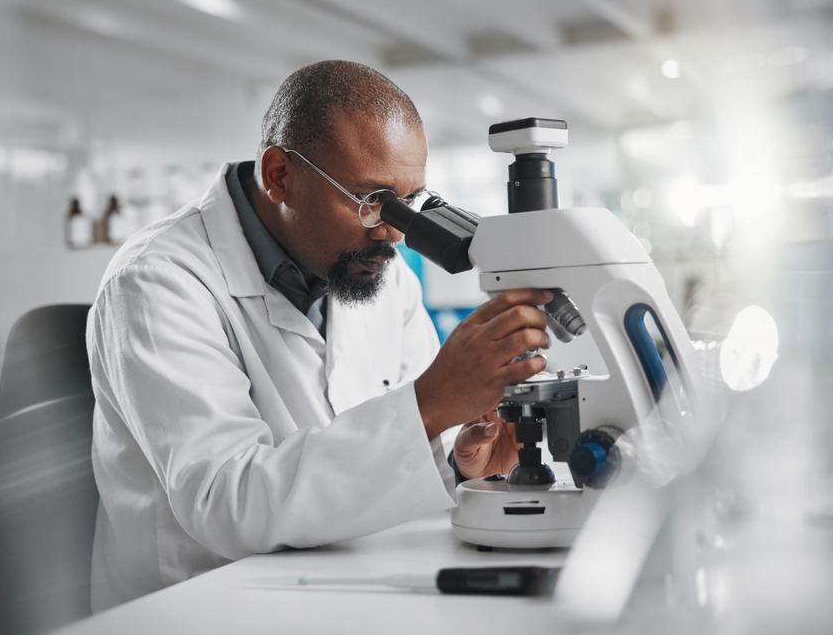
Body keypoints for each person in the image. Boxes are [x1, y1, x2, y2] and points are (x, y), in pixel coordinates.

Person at [86, 60, 551, 610]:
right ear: (279, 173)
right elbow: (225, 501)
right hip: (202, 606)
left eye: (410, 202)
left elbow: (405, 448)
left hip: (341, 586)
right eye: (372, 200)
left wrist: (458, 459)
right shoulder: (156, 282)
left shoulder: (383, 274)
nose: (393, 233)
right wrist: (430, 405)